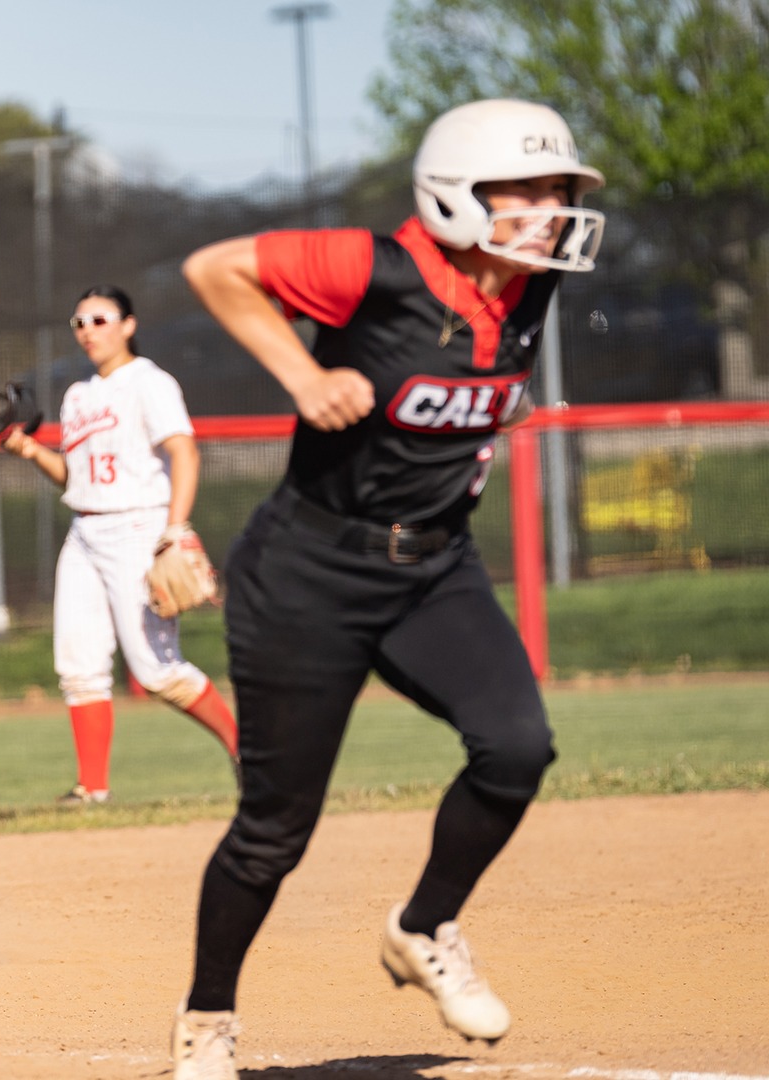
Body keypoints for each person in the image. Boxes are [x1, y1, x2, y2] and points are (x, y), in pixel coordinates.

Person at [163, 99, 606, 1080]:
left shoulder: (530, 288)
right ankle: (206, 1021)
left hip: (435, 567)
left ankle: (424, 926)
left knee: (517, 746)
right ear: (457, 195)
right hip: (309, 573)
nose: (551, 211)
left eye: (560, 193)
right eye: (526, 191)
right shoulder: (384, 265)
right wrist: (300, 375)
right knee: (276, 830)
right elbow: (216, 269)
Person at [0, 286, 239, 805]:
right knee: (78, 665)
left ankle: (249, 754)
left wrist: (175, 529)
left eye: (100, 320)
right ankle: (92, 789)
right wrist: (30, 449)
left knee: (156, 670)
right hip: (85, 530)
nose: (88, 331)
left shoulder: (149, 382)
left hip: (139, 528)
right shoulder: (78, 394)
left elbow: (185, 454)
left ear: (128, 325)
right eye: (79, 323)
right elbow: (75, 477)